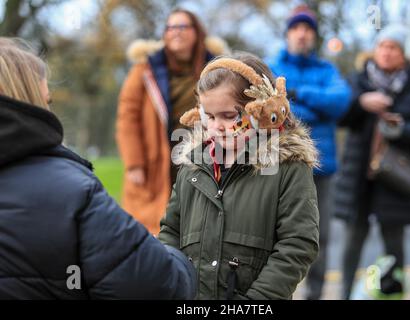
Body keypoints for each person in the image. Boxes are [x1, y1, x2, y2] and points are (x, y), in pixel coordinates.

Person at [0, 38, 196, 299]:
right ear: (27, 103)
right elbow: (159, 286)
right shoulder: (72, 192)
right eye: (45, 102)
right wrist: (181, 259)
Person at [158, 52, 320, 300]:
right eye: (209, 116)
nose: (216, 127)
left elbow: (297, 245)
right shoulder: (191, 167)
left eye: (230, 116)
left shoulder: (288, 167)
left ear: (263, 111)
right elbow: (170, 231)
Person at [334, 25, 410, 299]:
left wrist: (403, 129)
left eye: (393, 47)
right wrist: (361, 103)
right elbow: (339, 115)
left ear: (403, 54)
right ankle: (344, 294)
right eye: (382, 46)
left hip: (395, 176)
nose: (387, 51)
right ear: (375, 49)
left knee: (394, 245)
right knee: (352, 242)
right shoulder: (357, 81)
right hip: (359, 176)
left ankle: (393, 294)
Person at [116, 8, 227, 235]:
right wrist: (134, 163)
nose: (175, 32)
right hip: (155, 159)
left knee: (198, 225)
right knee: (150, 227)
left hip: (202, 158)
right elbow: (127, 117)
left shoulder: (216, 70)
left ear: (197, 32)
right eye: (170, 27)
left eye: (182, 26)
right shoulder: (144, 70)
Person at [267, 4, 351, 300]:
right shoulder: (270, 66)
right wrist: (317, 108)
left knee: (319, 236)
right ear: (288, 34)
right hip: (280, 165)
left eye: (308, 29)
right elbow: (272, 110)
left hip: (322, 169)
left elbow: (340, 103)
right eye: (296, 28)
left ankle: (314, 295)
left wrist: (297, 94)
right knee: (274, 234)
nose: (302, 34)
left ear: (314, 36)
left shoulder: (328, 70)